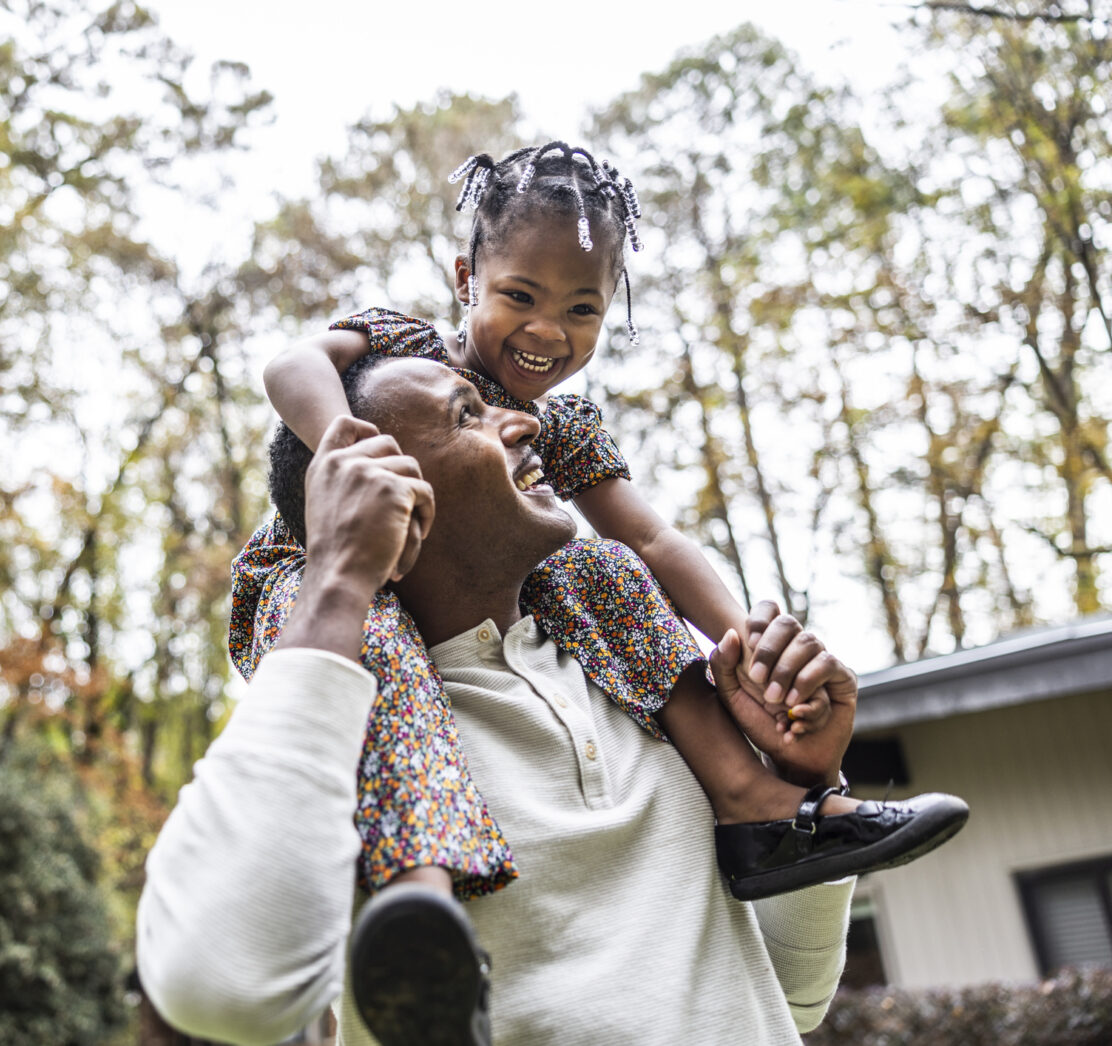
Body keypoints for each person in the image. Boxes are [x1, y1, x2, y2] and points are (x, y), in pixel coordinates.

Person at [233, 143, 965, 922]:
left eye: (581, 309)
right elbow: (290, 364)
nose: (549, 330)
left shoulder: (565, 428)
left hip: (488, 580)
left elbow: (652, 541)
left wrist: (745, 645)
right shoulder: (403, 351)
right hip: (330, 571)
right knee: (382, 647)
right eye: (520, 295)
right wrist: (346, 442)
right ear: (464, 281)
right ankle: (419, 891)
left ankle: (751, 802)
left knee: (608, 567)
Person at [139, 355, 965, 1045]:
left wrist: (808, 779)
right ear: (380, 487)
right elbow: (219, 985)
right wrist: (336, 580)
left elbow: (789, 997)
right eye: (468, 415)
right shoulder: (340, 737)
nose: (524, 422)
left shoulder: (645, 683)